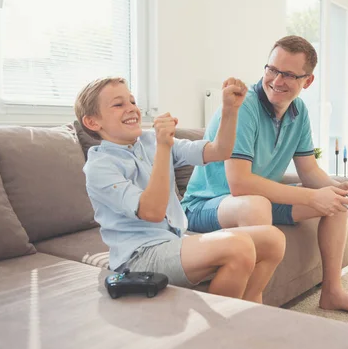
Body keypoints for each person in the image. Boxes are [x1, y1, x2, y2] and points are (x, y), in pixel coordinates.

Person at [182, 36, 348, 317]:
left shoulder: (299, 113)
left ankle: (332, 291)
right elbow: (240, 184)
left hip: (256, 199)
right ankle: (254, 307)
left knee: (338, 201)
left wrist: (337, 188)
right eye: (272, 69)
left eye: (288, 75)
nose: (276, 80)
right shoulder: (244, 106)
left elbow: (308, 170)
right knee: (256, 204)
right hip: (207, 205)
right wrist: (313, 196)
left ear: (307, 81)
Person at [75, 76, 286, 303]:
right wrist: (164, 146)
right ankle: (221, 334)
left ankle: (250, 315)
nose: (132, 109)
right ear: (93, 122)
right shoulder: (100, 166)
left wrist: (229, 110)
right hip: (139, 257)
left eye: (133, 102)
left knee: (273, 240)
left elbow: (219, 151)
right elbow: (152, 212)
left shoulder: (149, 142)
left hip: (173, 242)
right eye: (118, 104)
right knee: (238, 246)